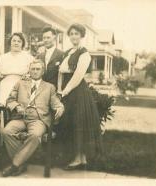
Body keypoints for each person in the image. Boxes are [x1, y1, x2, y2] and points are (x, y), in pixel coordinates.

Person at [0, 61, 64, 177]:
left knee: (34, 135)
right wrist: (17, 106)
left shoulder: (49, 87)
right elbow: (10, 100)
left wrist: (60, 108)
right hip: (21, 117)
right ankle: (21, 163)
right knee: (6, 131)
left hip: (38, 119)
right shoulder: (20, 83)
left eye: (37, 69)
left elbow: (56, 103)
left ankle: (15, 165)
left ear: (43, 71)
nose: (35, 71)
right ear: (29, 70)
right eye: (33, 69)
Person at [57, 23, 103, 170]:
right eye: (71, 34)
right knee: (72, 124)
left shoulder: (84, 54)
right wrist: (59, 89)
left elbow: (77, 76)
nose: (74, 36)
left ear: (82, 35)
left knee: (79, 124)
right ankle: (80, 158)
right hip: (66, 91)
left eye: (76, 33)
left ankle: (79, 158)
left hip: (77, 92)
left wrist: (65, 91)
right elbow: (61, 72)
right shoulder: (67, 52)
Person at [0, 32, 34, 105]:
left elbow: (33, 73)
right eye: (14, 41)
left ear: (22, 43)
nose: (16, 43)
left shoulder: (28, 58)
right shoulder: (3, 58)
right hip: (6, 84)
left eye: (19, 41)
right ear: (10, 42)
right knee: (4, 105)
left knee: (20, 106)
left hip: (22, 85)